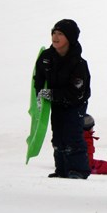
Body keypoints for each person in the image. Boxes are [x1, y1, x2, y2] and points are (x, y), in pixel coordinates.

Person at [34, 19, 91, 179]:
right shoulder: (46, 57)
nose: (55, 37)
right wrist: (39, 94)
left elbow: (76, 93)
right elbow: (38, 79)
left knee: (72, 135)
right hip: (56, 104)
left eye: (60, 34)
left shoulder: (78, 64)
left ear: (70, 38)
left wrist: (52, 94)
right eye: (54, 33)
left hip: (75, 104)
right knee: (58, 136)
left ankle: (78, 171)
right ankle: (62, 170)